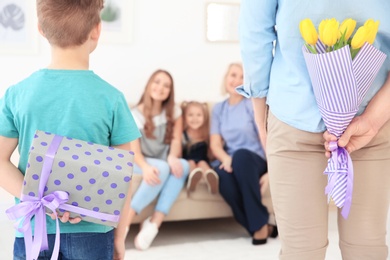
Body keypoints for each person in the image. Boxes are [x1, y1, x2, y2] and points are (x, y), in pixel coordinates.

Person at [238, 1, 390, 259]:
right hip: (372, 114)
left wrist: (261, 116)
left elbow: (255, 34)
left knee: (301, 251)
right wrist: (375, 118)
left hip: (294, 113)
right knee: (366, 248)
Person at [0, 1, 141, 259]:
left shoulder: (17, 95)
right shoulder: (112, 98)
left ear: (41, 29)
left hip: (34, 229)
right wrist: (120, 238)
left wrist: (42, 201)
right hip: (93, 233)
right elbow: (124, 176)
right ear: (96, 30)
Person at [209, 63, 277, 245]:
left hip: (254, 159)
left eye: (242, 77)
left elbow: (265, 138)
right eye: (233, 75)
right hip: (232, 160)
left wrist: (271, 172)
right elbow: (215, 144)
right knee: (222, 175)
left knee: (241, 156)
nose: (237, 80)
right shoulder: (218, 109)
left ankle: (260, 227)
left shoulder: (252, 105)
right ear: (226, 78)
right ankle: (262, 224)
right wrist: (225, 159)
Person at [126, 69, 190, 250]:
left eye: (166, 85)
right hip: (139, 162)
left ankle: (154, 223)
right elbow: (135, 153)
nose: (161, 88)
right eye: (157, 82)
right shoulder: (134, 115)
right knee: (161, 168)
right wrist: (146, 167)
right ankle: (127, 220)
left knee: (183, 165)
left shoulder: (175, 112)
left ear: (170, 91)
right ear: (148, 85)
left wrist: (172, 156)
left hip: (163, 162)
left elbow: (177, 139)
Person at [181, 101, 219, 194]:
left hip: (203, 160)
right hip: (188, 160)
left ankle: (211, 179)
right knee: (191, 163)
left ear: (204, 117)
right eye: (190, 115)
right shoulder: (183, 135)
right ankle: (193, 179)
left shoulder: (207, 134)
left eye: (199, 115)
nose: (195, 118)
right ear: (184, 117)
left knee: (202, 163)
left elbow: (211, 153)